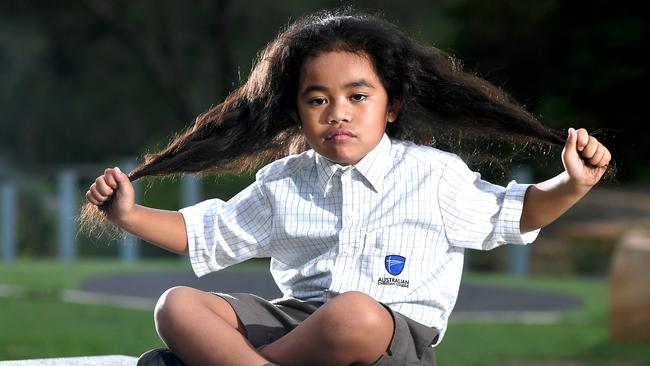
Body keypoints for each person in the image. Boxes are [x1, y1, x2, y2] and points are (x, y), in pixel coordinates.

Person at [82, 9, 611, 366]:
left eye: (358, 96)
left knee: (353, 311)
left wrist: (572, 182)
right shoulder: (282, 182)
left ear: (392, 105)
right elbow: (206, 233)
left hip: (388, 337)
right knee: (176, 305)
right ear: (298, 111)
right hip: (293, 326)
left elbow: (514, 215)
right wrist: (128, 214)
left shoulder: (433, 174)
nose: (338, 113)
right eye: (318, 100)